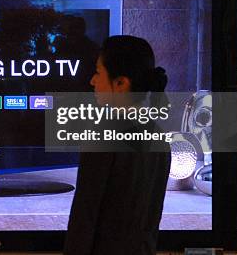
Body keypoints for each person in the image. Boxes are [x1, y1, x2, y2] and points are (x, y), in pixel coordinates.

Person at [64, 35, 171, 255]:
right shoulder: (160, 138)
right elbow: (152, 222)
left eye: (98, 72)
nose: (92, 81)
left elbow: (84, 220)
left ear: (121, 82)